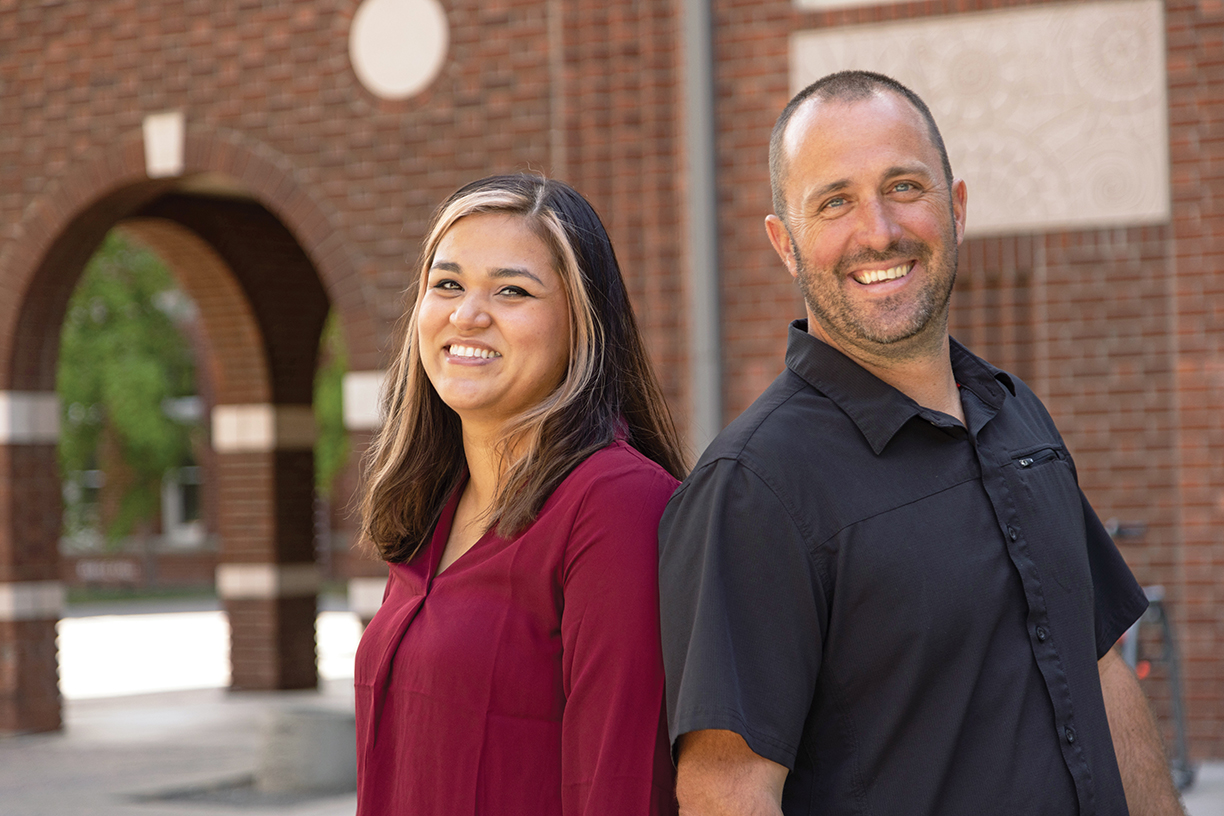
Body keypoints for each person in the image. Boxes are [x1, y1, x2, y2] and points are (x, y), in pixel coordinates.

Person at [658, 71, 1185, 815]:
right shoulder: (753, 488)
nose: (878, 230)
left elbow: (1100, 669)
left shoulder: (1016, 414)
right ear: (785, 243)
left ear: (957, 207)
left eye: (904, 186)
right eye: (834, 201)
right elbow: (727, 792)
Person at [354, 173, 685, 815]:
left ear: (581, 324)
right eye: (446, 284)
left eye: (511, 290)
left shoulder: (616, 505)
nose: (466, 315)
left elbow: (619, 788)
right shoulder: (431, 507)